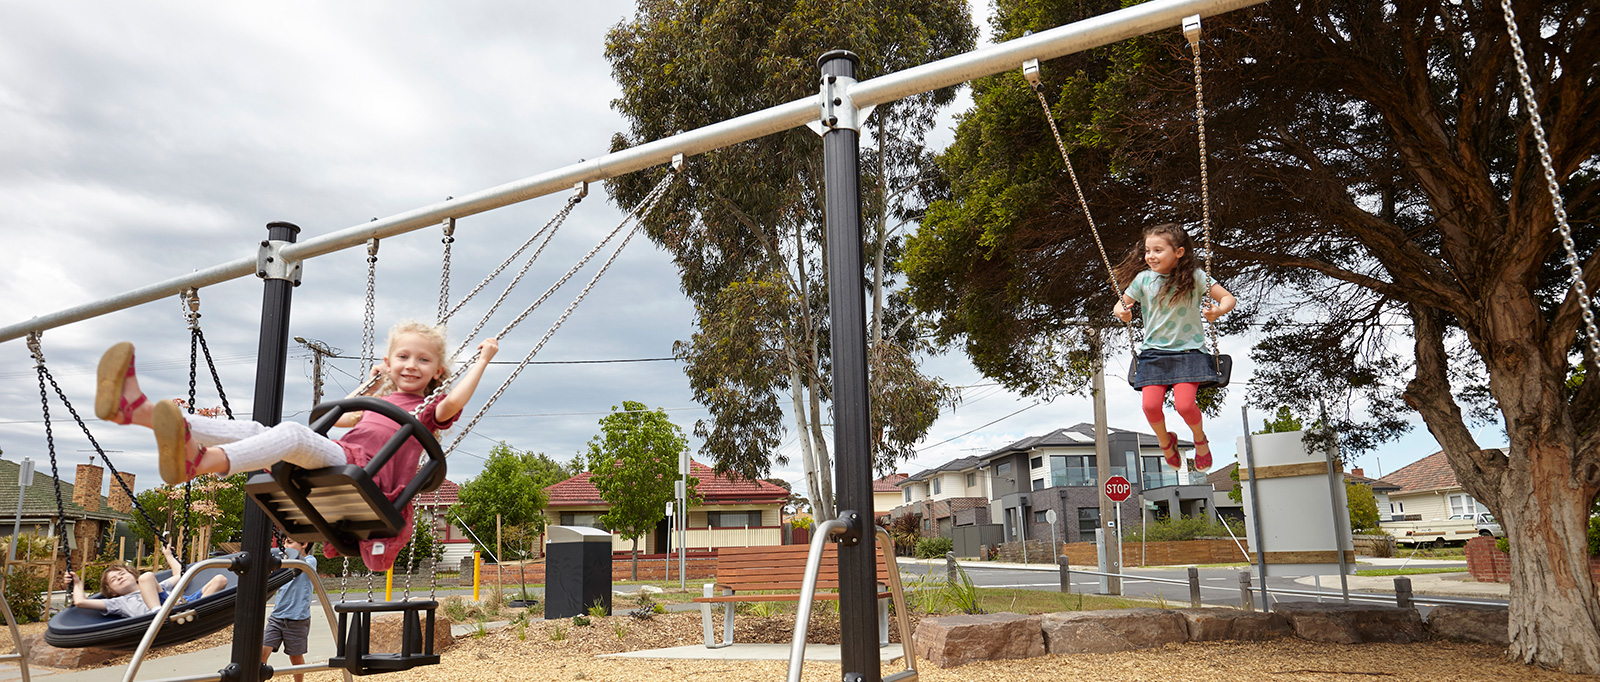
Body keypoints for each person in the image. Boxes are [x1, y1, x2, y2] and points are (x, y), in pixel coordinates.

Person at [94, 320, 498, 570]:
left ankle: (202, 461)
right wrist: (371, 386)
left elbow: (455, 402)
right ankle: (136, 409)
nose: (412, 365)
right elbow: (334, 418)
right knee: (258, 430)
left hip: (366, 477)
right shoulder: (378, 401)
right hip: (344, 464)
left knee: (288, 435)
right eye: (403, 357)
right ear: (389, 362)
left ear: (438, 372)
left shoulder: (427, 408)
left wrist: (482, 360)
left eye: (423, 361)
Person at [1113, 223, 1236, 471]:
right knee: (1149, 406)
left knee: (1185, 405)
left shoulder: (1196, 277)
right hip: (1153, 353)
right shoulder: (1143, 280)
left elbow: (1228, 298)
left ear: (1178, 252)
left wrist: (1218, 311)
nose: (1150, 256)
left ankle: (1200, 441)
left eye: (1158, 250)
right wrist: (1122, 313)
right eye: (1148, 250)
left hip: (1189, 352)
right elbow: (1120, 305)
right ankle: (1165, 442)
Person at [65, 544, 227, 618]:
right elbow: (80, 602)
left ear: (134, 577)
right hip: (158, 613)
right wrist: (77, 583)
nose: (119, 577)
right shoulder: (118, 602)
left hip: (180, 603)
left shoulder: (152, 584)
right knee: (147, 576)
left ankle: (200, 609)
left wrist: (169, 556)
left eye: (122, 574)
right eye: (114, 579)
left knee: (220, 579)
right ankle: (156, 612)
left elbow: (180, 575)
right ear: (112, 591)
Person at [264, 538, 317, 682]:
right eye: (284, 543)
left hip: (297, 619)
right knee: (262, 651)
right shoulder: (282, 563)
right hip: (277, 617)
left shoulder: (309, 561)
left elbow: (300, 566)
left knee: (295, 657)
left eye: (289, 542)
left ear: (304, 544)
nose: (285, 546)